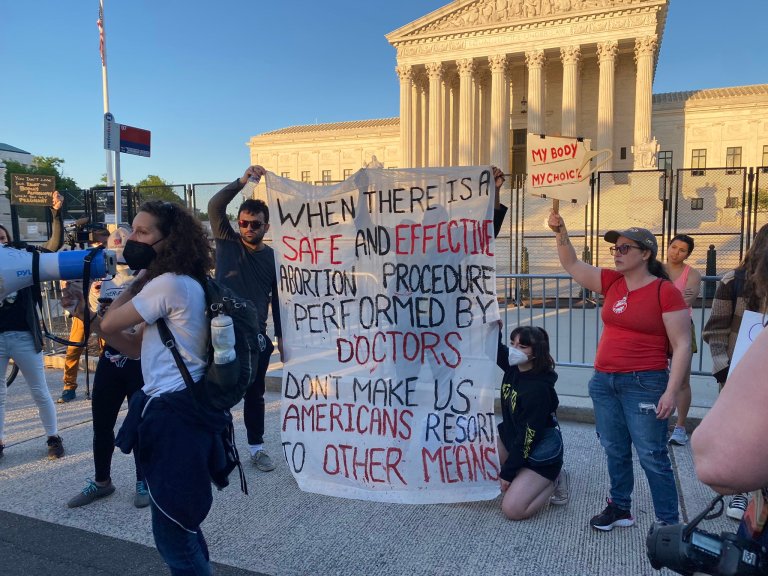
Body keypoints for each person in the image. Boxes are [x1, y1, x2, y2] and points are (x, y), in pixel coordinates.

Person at [64, 200, 227, 574]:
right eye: (131, 230)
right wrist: (91, 317)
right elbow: (137, 347)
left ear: (168, 240)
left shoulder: (166, 284)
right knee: (183, 526)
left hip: (173, 420)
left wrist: (139, 280)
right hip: (187, 411)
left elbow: (108, 326)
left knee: (174, 540)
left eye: (143, 232)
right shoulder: (190, 281)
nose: (132, 239)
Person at [548, 213, 691, 530]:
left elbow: (682, 344)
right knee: (614, 449)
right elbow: (572, 265)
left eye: (626, 248)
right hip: (604, 382)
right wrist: (561, 232)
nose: (617, 252)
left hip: (645, 383)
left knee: (652, 455)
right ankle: (620, 508)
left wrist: (670, 391)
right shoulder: (613, 282)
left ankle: (669, 525)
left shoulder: (664, 292)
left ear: (646, 254)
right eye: (615, 247)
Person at [65, 226, 149, 509]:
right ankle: (102, 481)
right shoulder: (100, 281)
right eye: (112, 252)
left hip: (139, 361)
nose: (118, 258)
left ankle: (144, 479)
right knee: (102, 424)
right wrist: (78, 305)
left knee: (140, 424)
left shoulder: (146, 279)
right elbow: (95, 321)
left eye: (122, 250)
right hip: (110, 359)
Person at [692, 247, 768, 550]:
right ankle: (745, 491)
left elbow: (717, 463)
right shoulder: (732, 281)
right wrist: (724, 367)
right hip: (735, 373)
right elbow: (716, 330)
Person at [208, 166, 282, 472]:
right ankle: (220, 448)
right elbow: (215, 206)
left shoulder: (273, 257)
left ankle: (257, 447)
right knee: (217, 392)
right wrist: (243, 181)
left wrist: (283, 342)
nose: (248, 228)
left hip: (256, 337)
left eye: (255, 224)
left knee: (255, 393)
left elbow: (278, 302)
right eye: (244, 223)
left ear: (266, 226)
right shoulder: (227, 241)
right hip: (221, 332)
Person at [0, 191, 65, 460]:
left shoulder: (23, 255)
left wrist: (56, 213)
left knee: (39, 389)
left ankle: (53, 436)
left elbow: (52, 246)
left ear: (9, 240)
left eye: (2, 238)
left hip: (24, 336)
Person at [496, 325, 567, 520]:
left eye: (522, 346)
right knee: (480, 449)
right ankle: (523, 476)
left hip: (538, 453)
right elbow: (491, 346)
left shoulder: (538, 389)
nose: (514, 350)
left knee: (512, 509)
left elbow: (528, 437)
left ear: (536, 352)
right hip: (516, 440)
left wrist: (508, 473)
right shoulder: (513, 366)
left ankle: (554, 480)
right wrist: (494, 325)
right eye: (512, 344)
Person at [58, 225, 111, 403]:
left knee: (107, 349)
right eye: (99, 243)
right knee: (74, 347)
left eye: (104, 243)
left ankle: (106, 384)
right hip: (84, 310)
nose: (102, 246)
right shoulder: (82, 258)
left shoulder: (111, 258)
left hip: (105, 309)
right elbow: (69, 282)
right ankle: (69, 385)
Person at [662, 234, 702, 446]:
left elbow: (686, 300)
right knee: (655, 377)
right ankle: (658, 423)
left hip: (682, 328)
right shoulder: (655, 269)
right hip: (656, 329)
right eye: (673, 247)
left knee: (682, 381)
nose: (676, 253)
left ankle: (680, 427)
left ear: (688, 254)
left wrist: (658, 303)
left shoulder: (692, 274)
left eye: (682, 250)